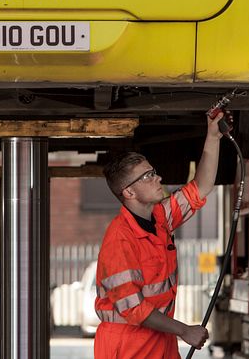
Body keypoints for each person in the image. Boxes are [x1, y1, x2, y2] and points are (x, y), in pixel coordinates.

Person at [94, 112, 225, 358]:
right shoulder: (119, 240)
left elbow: (201, 187)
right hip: (128, 345)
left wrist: (213, 137)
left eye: (153, 172)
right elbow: (133, 308)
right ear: (129, 192)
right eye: (148, 176)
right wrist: (184, 330)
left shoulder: (160, 218)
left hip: (159, 337)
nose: (158, 178)